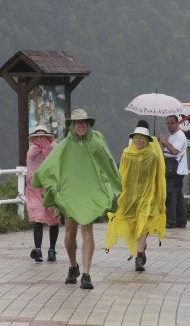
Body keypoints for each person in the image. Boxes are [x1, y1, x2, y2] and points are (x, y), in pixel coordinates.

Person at [32, 108, 121, 289]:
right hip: (70, 195)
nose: (80, 126)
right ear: (72, 125)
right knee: (70, 233)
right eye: (77, 123)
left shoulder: (97, 141)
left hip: (89, 194)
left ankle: (86, 274)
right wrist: (49, 185)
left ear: (88, 124)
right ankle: (73, 266)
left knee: (87, 231)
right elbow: (50, 166)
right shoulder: (65, 145)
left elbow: (108, 164)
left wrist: (111, 187)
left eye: (83, 122)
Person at [105, 126, 166, 271]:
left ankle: (139, 257)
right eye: (136, 137)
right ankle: (141, 248)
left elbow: (158, 177)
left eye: (141, 137)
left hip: (147, 196)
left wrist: (159, 197)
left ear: (146, 140)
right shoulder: (126, 154)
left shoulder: (153, 156)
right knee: (133, 226)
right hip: (130, 196)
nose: (138, 140)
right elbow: (122, 175)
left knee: (143, 224)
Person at [26, 125, 61, 263]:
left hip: (50, 187)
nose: (40, 139)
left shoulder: (54, 149)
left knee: (53, 219)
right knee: (38, 218)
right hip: (34, 187)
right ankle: (38, 249)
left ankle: (52, 249)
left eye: (42, 136)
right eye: (37, 136)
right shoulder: (31, 151)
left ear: (47, 137)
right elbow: (30, 166)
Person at [159, 115, 188, 228]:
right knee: (178, 197)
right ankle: (181, 220)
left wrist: (165, 142)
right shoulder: (173, 136)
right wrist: (164, 143)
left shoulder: (180, 136)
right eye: (168, 123)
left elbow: (175, 151)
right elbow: (168, 150)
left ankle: (171, 221)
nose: (169, 125)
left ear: (177, 123)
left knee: (171, 196)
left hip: (176, 171)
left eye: (171, 123)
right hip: (174, 170)